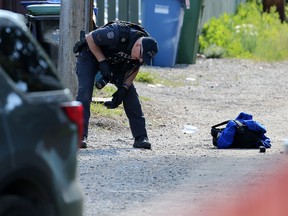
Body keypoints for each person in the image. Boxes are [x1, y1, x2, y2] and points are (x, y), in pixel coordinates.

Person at [74, 20, 158, 149]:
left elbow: (134, 68)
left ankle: (141, 137)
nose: (141, 60)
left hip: (116, 63)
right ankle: (80, 136)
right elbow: (90, 38)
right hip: (90, 54)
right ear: (137, 46)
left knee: (131, 95)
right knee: (85, 92)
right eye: (141, 56)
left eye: (144, 59)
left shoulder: (142, 51)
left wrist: (123, 89)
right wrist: (102, 62)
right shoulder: (117, 33)